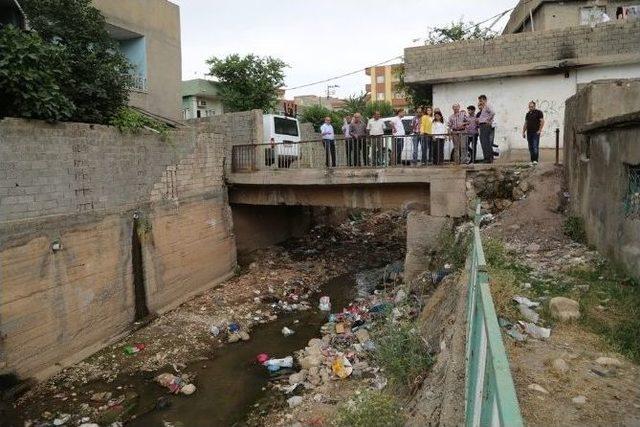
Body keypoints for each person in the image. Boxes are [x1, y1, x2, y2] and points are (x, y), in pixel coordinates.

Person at [477, 95, 495, 163]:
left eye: (481, 100)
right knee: (485, 142)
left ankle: (487, 158)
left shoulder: (487, 106)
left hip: (485, 125)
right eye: (479, 101)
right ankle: (489, 157)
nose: (480, 102)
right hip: (483, 125)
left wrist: (488, 120)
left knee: (485, 142)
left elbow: (493, 113)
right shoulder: (484, 107)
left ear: (484, 100)